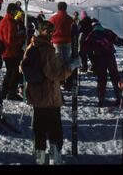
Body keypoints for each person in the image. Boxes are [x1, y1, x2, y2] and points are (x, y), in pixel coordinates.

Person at [19, 21, 80, 165]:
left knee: (39, 127)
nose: (52, 34)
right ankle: (55, 156)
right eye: (49, 31)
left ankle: (40, 157)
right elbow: (55, 74)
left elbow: (23, 66)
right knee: (54, 128)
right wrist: (71, 67)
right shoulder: (46, 49)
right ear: (43, 31)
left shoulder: (31, 45)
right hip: (49, 96)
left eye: (53, 30)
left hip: (36, 95)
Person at [84, 18, 123, 108]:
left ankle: (101, 100)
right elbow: (119, 42)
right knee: (115, 77)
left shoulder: (91, 34)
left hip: (99, 59)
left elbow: (86, 48)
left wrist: (91, 58)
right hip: (110, 57)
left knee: (102, 79)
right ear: (99, 24)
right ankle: (119, 98)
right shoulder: (108, 31)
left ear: (92, 26)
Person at [0, 3, 25, 100]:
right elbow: (9, 40)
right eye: (16, 11)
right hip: (9, 51)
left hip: (8, 50)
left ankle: (5, 92)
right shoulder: (8, 22)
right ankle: (9, 92)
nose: (17, 12)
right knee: (13, 72)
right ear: (12, 11)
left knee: (12, 72)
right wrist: (21, 38)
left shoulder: (8, 20)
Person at [48, 2, 73, 91]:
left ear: (58, 8)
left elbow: (48, 29)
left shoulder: (53, 19)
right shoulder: (70, 19)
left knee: (58, 61)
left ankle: (60, 81)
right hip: (67, 42)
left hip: (56, 42)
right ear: (65, 8)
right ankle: (68, 81)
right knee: (67, 61)